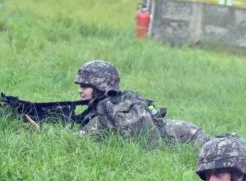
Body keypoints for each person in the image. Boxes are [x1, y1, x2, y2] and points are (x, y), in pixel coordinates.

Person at [74, 60, 208, 146]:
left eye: (85, 86)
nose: (80, 90)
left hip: (185, 134)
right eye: (80, 86)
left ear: (100, 86)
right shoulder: (107, 106)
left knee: (218, 146)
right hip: (178, 131)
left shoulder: (115, 108)